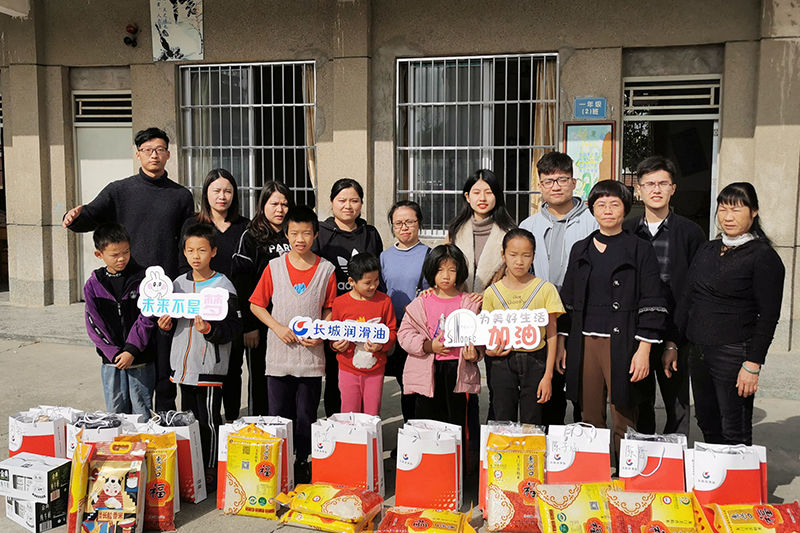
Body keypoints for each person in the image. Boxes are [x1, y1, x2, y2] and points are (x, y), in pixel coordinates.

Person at [62, 127, 194, 412]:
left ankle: (165, 418)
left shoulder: (181, 196)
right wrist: (72, 218)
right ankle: (132, 421)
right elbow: (92, 215)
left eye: (160, 149)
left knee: (165, 364)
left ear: (168, 154)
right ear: (138, 155)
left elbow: (186, 244)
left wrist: (181, 285)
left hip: (166, 290)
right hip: (131, 289)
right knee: (135, 357)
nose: (154, 155)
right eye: (148, 150)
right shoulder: (119, 190)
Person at [559, 180, 667, 455]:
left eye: (614, 204)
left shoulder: (640, 248)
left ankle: (625, 472)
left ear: (626, 208)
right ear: (592, 209)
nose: (607, 210)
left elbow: (653, 299)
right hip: (586, 342)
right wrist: (562, 344)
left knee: (624, 414)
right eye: (601, 204)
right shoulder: (580, 248)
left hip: (625, 342)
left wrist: (644, 350)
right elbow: (568, 300)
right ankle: (596, 471)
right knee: (589, 413)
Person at [676, 183, 784, 446]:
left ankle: (737, 473)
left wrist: (753, 364)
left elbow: (768, 316)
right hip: (699, 352)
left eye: (736, 209)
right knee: (707, 421)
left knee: (734, 428)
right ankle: (714, 471)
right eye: (723, 209)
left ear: (754, 212)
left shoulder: (763, 257)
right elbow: (688, 297)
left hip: (733, 354)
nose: (728, 216)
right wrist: (673, 343)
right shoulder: (708, 249)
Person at [249, 206, 338, 483]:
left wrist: (321, 332)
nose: (300, 239)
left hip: (311, 358)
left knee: (306, 413)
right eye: (294, 233)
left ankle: (302, 460)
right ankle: (280, 460)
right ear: (286, 234)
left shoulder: (326, 269)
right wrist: (277, 328)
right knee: (278, 414)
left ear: (315, 235)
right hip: (278, 357)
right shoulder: (274, 267)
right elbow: (256, 305)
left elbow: (330, 308)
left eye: (307, 233)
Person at [623, 156, 706, 436]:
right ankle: (643, 453)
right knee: (640, 400)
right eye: (649, 184)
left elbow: (694, 289)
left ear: (673, 188)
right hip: (637, 331)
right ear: (639, 189)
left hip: (676, 329)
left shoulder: (691, 232)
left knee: (677, 402)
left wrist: (675, 341)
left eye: (662, 183)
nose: (656, 189)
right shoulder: (628, 230)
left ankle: (675, 453)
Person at [157, 222, 242, 484]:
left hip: (209, 368)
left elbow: (233, 328)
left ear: (213, 252)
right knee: (189, 421)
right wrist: (165, 326)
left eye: (202, 250)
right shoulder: (177, 285)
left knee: (209, 421)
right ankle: (193, 466)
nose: (196, 256)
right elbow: (171, 323)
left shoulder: (223, 286)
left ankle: (211, 467)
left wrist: (210, 330)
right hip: (183, 367)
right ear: (183, 252)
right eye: (191, 250)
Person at [519, 151, 597, 426]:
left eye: (562, 179)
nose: (555, 186)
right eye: (548, 181)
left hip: (583, 315)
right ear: (540, 185)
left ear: (574, 183)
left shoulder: (593, 221)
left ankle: (580, 442)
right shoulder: (528, 225)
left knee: (583, 390)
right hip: (542, 318)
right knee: (546, 389)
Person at [447, 168, 516, 438]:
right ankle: (470, 439)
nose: (482, 198)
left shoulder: (510, 231)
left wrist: (489, 294)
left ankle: (495, 439)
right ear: (467, 196)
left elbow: (515, 273)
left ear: (497, 195)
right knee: (465, 380)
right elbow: (445, 268)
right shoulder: (456, 230)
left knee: (498, 382)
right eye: (476, 192)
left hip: (496, 313)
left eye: (488, 192)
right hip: (462, 313)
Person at [178, 169, 250, 423]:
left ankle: (230, 422)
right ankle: (201, 425)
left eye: (228, 191)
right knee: (200, 369)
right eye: (216, 190)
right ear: (206, 193)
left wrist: (249, 323)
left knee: (232, 370)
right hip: (198, 311)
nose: (222, 196)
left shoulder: (245, 227)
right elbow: (183, 266)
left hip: (232, 312)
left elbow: (249, 277)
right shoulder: (193, 224)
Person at [312, 178, 384, 416]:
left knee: (366, 371)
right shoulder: (321, 233)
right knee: (335, 375)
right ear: (331, 202)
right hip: (333, 313)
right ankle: (337, 424)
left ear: (361, 203)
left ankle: (365, 424)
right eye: (342, 200)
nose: (348, 206)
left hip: (365, 315)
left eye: (354, 200)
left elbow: (378, 274)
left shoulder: (370, 233)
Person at [397, 244, 481, 439]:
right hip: (427, 371)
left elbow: (481, 336)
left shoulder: (470, 303)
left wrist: (476, 352)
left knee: (458, 424)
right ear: (431, 271)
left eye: (452, 270)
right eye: (440, 270)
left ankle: (459, 459)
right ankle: (429, 458)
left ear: (460, 272)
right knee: (427, 424)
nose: (446, 276)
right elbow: (404, 334)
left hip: (458, 372)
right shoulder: (421, 302)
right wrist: (428, 346)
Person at [482, 229, 565, 424]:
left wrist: (548, 375)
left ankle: (530, 446)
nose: (519, 261)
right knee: (503, 418)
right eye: (513, 255)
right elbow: (486, 331)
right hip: (502, 362)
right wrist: (489, 351)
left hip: (536, 361)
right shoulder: (492, 292)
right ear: (503, 255)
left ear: (533, 257)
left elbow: (552, 333)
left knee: (532, 420)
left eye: (526, 255)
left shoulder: (545, 289)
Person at [231, 181, 293, 417]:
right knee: (261, 377)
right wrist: (249, 327)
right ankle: (260, 424)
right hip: (261, 321)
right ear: (263, 205)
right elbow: (242, 285)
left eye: (285, 204)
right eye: (274, 203)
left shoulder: (294, 234)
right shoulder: (251, 236)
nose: (280, 209)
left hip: (291, 321)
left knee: (288, 378)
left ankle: (287, 426)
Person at [83, 223, 156, 421]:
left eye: (126, 252)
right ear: (99, 254)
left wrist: (131, 350)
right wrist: (114, 353)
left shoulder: (143, 279)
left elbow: (148, 316)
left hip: (140, 358)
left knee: (142, 409)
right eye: (115, 255)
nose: (122, 258)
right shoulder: (94, 284)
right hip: (112, 361)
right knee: (115, 411)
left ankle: (142, 440)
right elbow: (93, 323)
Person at [380, 200, 430, 422]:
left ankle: (419, 428)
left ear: (419, 223)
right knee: (403, 381)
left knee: (418, 383)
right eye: (398, 223)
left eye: (410, 221)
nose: (404, 227)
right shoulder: (384, 257)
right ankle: (409, 429)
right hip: (394, 327)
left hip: (420, 330)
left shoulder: (429, 254)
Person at [330, 253, 397, 416]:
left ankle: (372, 434)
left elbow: (392, 331)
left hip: (376, 368)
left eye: (376, 280)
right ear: (351, 281)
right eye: (367, 282)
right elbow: (333, 333)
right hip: (347, 367)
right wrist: (335, 345)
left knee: (372, 413)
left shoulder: (384, 301)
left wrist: (381, 346)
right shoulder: (340, 303)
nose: (373, 286)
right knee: (349, 411)